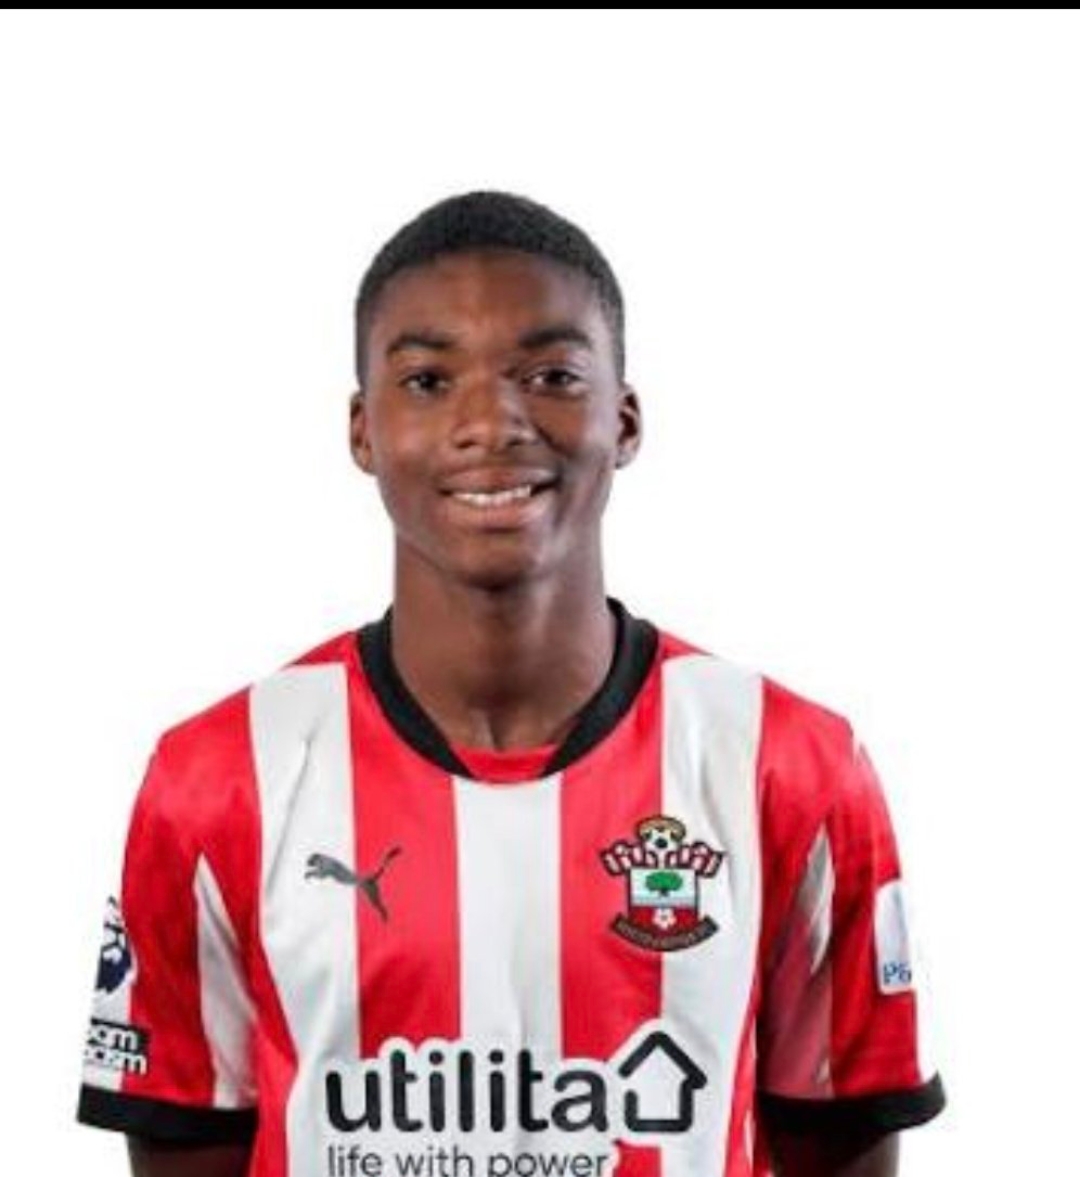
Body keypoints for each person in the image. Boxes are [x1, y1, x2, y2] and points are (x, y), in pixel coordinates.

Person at [76, 191, 945, 1177]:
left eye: (551, 375)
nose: (491, 421)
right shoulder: (218, 778)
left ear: (625, 419)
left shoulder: (791, 767)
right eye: (428, 379)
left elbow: (842, 1137)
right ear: (363, 430)